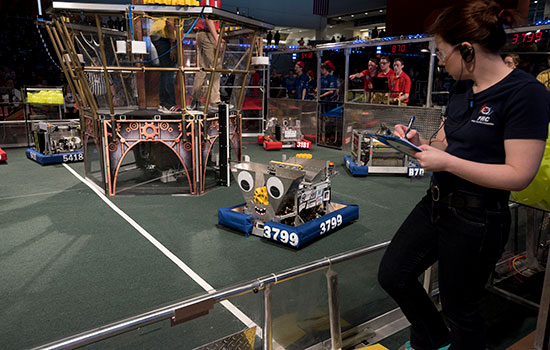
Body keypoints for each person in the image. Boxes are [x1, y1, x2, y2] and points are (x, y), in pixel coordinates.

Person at [377, 2, 550, 350]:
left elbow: (519, 175)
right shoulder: (461, 88)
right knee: (393, 275)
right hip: (438, 204)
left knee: (460, 308)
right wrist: (417, 144)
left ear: (467, 49)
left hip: (479, 218)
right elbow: (444, 144)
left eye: (442, 52)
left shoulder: (525, 93)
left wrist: (447, 163)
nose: (439, 60)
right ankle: (432, 339)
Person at [190, 0, 225, 111]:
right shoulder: (212, 0)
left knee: (202, 69)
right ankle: (215, 100)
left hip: (202, 33)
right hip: (207, 34)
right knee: (216, 66)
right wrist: (216, 37)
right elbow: (208, 17)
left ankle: (195, 100)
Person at [150, 17, 178, 113]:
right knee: (170, 70)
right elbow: (169, 22)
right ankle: (168, 104)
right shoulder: (175, 3)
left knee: (166, 70)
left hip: (157, 33)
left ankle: (164, 103)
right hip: (163, 36)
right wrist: (172, 45)